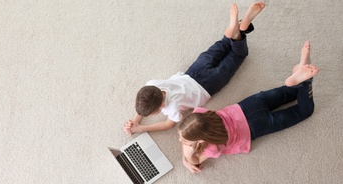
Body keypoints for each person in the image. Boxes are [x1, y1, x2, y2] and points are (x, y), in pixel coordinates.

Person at [123, 2, 266, 135]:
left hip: (207, 86)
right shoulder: (151, 84)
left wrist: (141, 128)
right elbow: (146, 99)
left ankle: (239, 32)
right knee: (222, 45)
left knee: (237, 56)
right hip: (193, 72)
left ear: (161, 106)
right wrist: (135, 120)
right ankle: (238, 27)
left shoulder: (171, 108)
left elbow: (167, 125)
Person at [178, 40, 319, 173]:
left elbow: (195, 160)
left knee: (303, 111)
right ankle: (300, 71)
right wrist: (189, 139)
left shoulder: (212, 148)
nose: (180, 141)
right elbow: (194, 128)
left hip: (256, 126)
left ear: (201, 139)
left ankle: (306, 81)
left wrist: (186, 158)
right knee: (290, 92)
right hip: (250, 104)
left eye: (184, 140)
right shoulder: (200, 112)